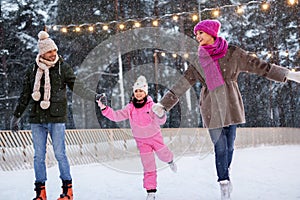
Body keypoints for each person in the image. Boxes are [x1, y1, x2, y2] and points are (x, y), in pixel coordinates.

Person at [152, 19, 300, 200]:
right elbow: (183, 83)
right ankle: (224, 182)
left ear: (211, 33)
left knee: (229, 147)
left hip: (231, 105)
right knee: (220, 147)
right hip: (211, 107)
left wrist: (288, 74)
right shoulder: (198, 60)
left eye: (200, 33)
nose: (197, 36)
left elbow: (261, 67)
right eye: (196, 33)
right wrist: (163, 105)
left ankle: (224, 173)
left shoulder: (233, 54)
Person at [10, 31, 96, 200]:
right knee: (38, 156)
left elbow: (77, 86)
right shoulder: (32, 69)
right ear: (42, 52)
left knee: (60, 154)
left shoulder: (62, 67)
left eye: (54, 51)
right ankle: (40, 192)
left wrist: (95, 96)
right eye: (50, 52)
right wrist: (16, 116)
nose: (53, 54)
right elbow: (25, 94)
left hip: (57, 118)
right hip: (37, 119)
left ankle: (67, 191)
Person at [97, 75, 177, 200]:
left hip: (155, 138)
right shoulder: (130, 108)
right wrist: (104, 108)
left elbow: (161, 121)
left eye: (141, 91)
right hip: (142, 142)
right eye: (136, 91)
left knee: (163, 155)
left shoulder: (152, 106)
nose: (139, 93)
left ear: (145, 92)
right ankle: (151, 191)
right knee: (148, 165)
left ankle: (170, 160)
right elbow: (117, 116)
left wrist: (161, 114)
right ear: (134, 93)